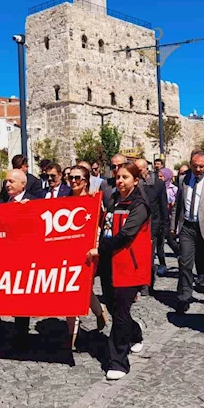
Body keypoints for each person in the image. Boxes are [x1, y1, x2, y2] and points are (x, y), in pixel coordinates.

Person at [86, 162, 151, 380]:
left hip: (128, 265)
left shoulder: (139, 205)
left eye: (125, 177)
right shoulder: (113, 200)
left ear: (135, 180)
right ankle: (135, 333)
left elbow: (125, 235)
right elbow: (104, 225)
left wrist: (100, 248)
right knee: (115, 309)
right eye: (118, 177)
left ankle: (118, 362)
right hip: (108, 264)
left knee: (120, 313)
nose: (120, 181)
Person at [0, 169, 35, 348]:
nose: (7, 184)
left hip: (26, 257)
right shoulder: (3, 203)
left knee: (22, 298)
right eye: (6, 181)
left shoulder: (35, 201)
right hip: (7, 257)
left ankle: (21, 334)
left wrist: (30, 210)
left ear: (23, 184)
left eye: (11, 181)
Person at [65, 165, 109, 349]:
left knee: (83, 288)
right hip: (67, 250)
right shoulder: (64, 201)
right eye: (71, 178)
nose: (74, 181)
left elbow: (102, 225)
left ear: (86, 181)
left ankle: (98, 311)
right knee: (69, 290)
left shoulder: (94, 200)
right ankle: (72, 334)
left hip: (89, 252)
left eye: (78, 178)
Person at [173, 150, 204, 313]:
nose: (198, 170)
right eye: (195, 166)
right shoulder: (183, 180)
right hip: (187, 227)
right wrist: (174, 226)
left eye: (202, 166)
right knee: (185, 262)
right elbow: (178, 205)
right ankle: (184, 296)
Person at [133, 158, 168, 295]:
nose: (137, 172)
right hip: (137, 224)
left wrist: (164, 226)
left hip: (153, 224)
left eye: (139, 170)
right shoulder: (135, 183)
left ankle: (147, 284)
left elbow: (163, 205)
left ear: (146, 169)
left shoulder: (158, 184)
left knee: (148, 255)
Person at [157, 167, 180, 257]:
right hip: (161, 217)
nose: (159, 178)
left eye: (161, 176)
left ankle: (179, 254)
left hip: (170, 217)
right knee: (160, 241)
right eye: (158, 176)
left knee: (170, 239)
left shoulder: (174, 189)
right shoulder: (157, 188)